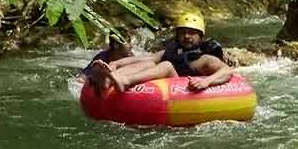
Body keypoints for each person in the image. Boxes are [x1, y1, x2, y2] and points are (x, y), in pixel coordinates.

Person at [94, 11, 232, 94]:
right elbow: (146, 58)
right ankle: (111, 77)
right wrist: (115, 64)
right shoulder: (173, 50)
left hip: (184, 91)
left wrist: (207, 82)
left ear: (201, 37)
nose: (186, 36)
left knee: (166, 65)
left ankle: (126, 81)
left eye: (192, 33)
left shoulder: (206, 59)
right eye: (183, 33)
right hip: (171, 87)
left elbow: (227, 71)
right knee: (150, 62)